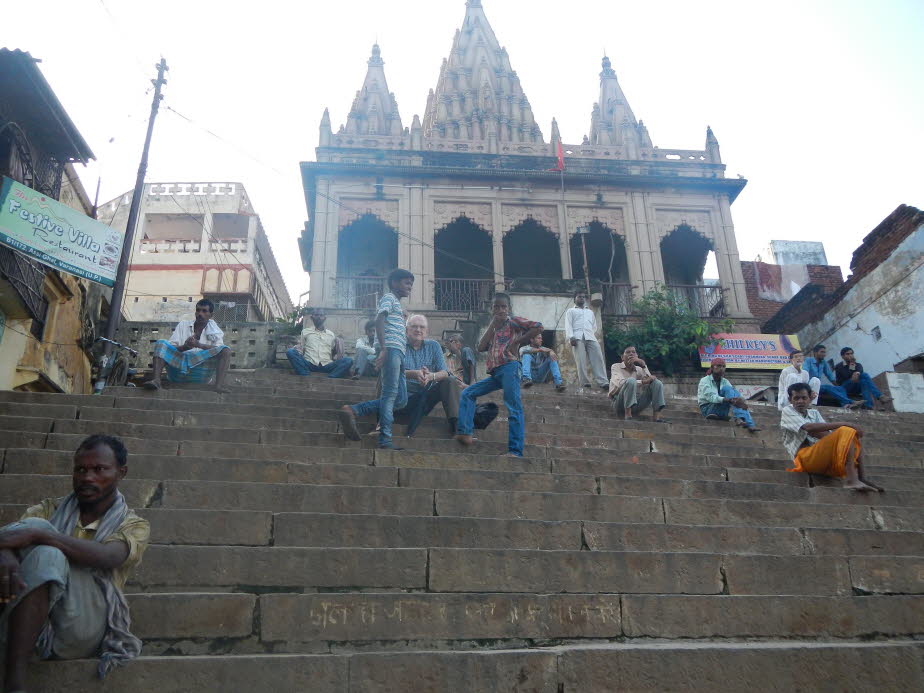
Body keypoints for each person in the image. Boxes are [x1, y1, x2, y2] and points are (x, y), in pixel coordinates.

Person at [0, 435, 150, 691]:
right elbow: (10, 537)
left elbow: (107, 557)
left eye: (99, 469)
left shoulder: (134, 525)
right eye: (80, 469)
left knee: (46, 548)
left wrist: (41, 536)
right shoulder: (49, 509)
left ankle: (14, 680)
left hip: (83, 626)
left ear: (120, 472)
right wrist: (5, 554)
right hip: (31, 615)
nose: (87, 477)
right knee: (30, 534)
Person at [455, 293, 542, 457]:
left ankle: (515, 451)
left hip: (510, 367)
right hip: (496, 373)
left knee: (513, 406)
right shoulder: (493, 328)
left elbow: (538, 326)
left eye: (503, 306)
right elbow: (480, 347)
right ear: (492, 309)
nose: (500, 310)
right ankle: (465, 432)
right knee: (468, 392)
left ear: (508, 308)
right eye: (496, 306)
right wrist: (492, 325)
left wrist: (518, 341)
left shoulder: (514, 321)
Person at [339, 268, 415, 450]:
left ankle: (354, 410)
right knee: (389, 395)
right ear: (395, 283)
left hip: (399, 352)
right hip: (391, 350)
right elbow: (379, 319)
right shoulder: (389, 298)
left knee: (401, 400)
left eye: (411, 284)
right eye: (407, 283)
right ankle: (385, 440)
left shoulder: (396, 303)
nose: (409, 287)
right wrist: (384, 348)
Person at [780, 381, 883, 492]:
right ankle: (851, 481)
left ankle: (861, 477)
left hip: (823, 460)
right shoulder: (787, 411)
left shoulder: (814, 413)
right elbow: (809, 428)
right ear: (790, 400)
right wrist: (845, 424)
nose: (800, 401)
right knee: (845, 429)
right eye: (796, 398)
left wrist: (845, 433)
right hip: (804, 460)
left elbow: (825, 435)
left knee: (851, 434)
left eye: (804, 398)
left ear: (810, 398)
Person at [145, 298, 232, 393]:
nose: (200, 314)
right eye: (198, 310)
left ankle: (218, 386)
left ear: (211, 315)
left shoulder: (215, 331)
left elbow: (219, 349)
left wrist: (199, 345)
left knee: (226, 350)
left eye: (204, 311)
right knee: (161, 343)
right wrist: (185, 347)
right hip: (178, 370)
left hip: (201, 373)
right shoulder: (183, 325)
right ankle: (156, 381)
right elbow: (169, 350)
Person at [397, 315, 463, 436]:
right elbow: (392, 372)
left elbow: (444, 372)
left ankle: (457, 427)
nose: (418, 330)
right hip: (403, 396)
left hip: (425, 395)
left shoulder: (434, 345)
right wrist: (414, 374)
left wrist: (430, 376)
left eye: (422, 327)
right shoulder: (398, 346)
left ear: (426, 332)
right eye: (414, 327)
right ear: (406, 330)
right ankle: (381, 423)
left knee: (450, 380)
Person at [697, 357, 760, 433]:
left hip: (722, 410)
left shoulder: (725, 381)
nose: (722, 369)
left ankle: (747, 423)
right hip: (708, 409)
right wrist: (730, 400)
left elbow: (733, 395)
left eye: (724, 367)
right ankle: (740, 419)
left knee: (733, 393)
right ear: (712, 368)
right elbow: (711, 398)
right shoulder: (704, 380)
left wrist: (740, 400)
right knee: (728, 390)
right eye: (719, 366)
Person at [286, 308, 353, 379]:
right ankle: (305, 375)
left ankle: (331, 378)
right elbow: (302, 348)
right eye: (316, 315)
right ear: (312, 317)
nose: (318, 317)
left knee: (348, 360)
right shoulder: (305, 332)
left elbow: (332, 351)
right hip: (309, 364)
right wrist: (295, 349)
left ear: (324, 318)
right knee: (290, 352)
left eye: (321, 315)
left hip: (326, 365)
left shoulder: (331, 334)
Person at [609, 346, 668, 422]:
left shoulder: (639, 369)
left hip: (636, 403)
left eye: (633, 352)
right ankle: (628, 416)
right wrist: (642, 382)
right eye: (628, 352)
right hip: (619, 403)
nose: (631, 354)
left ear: (637, 356)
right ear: (622, 357)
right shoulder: (616, 366)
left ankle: (656, 418)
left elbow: (651, 381)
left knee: (657, 383)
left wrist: (644, 366)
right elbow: (620, 383)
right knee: (631, 380)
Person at [566, 290, 609, 390]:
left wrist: (590, 333)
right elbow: (568, 325)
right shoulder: (571, 311)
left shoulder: (590, 312)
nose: (582, 298)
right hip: (577, 337)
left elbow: (594, 326)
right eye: (579, 296)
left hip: (590, 336)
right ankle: (585, 382)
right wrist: (571, 337)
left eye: (583, 297)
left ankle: (603, 382)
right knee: (580, 360)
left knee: (598, 358)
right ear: (575, 299)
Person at [806, 344, 862, 409]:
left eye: (824, 352)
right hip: (810, 386)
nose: (824, 354)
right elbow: (805, 373)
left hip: (819, 387)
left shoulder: (823, 363)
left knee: (841, 388)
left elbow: (830, 377)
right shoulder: (808, 360)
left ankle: (846, 405)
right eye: (822, 352)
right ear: (815, 353)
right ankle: (851, 402)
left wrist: (838, 387)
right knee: (827, 387)